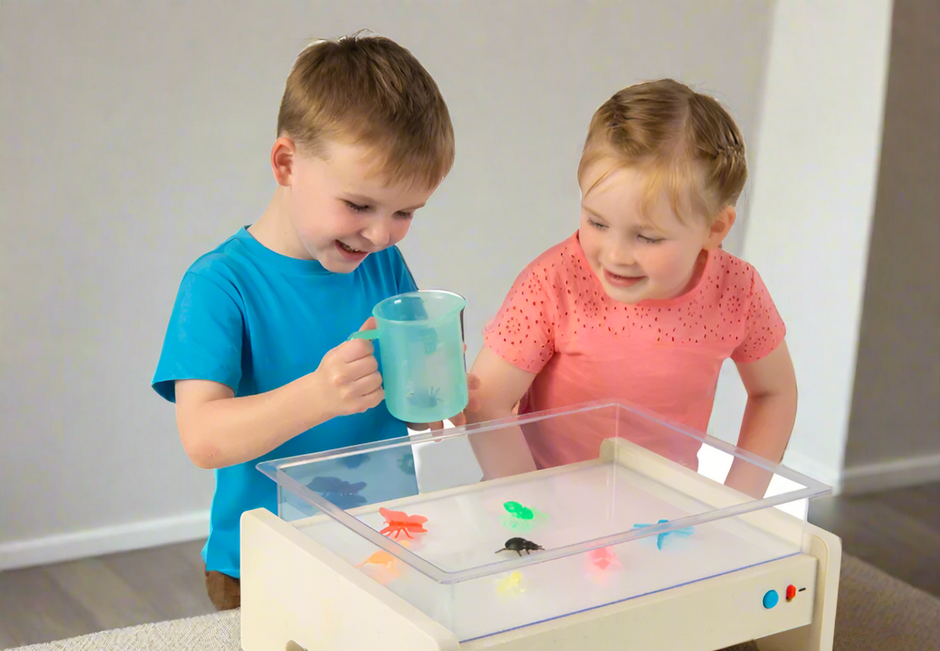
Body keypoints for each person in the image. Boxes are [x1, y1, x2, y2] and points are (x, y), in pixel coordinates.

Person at [153, 33, 466, 610]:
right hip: (265, 563)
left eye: (404, 213)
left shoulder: (382, 263)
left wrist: (441, 399)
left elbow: (414, 397)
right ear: (286, 163)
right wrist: (319, 395)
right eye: (358, 205)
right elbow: (202, 438)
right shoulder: (220, 284)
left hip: (381, 546)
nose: (379, 234)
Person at [467, 79, 797, 497]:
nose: (616, 254)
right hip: (542, 506)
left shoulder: (737, 291)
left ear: (714, 229)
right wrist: (528, 506)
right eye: (598, 223)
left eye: (647, 237)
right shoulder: (553, 283)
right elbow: (485, 401)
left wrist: (736, 503)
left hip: (661, 516)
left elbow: (775, 392)